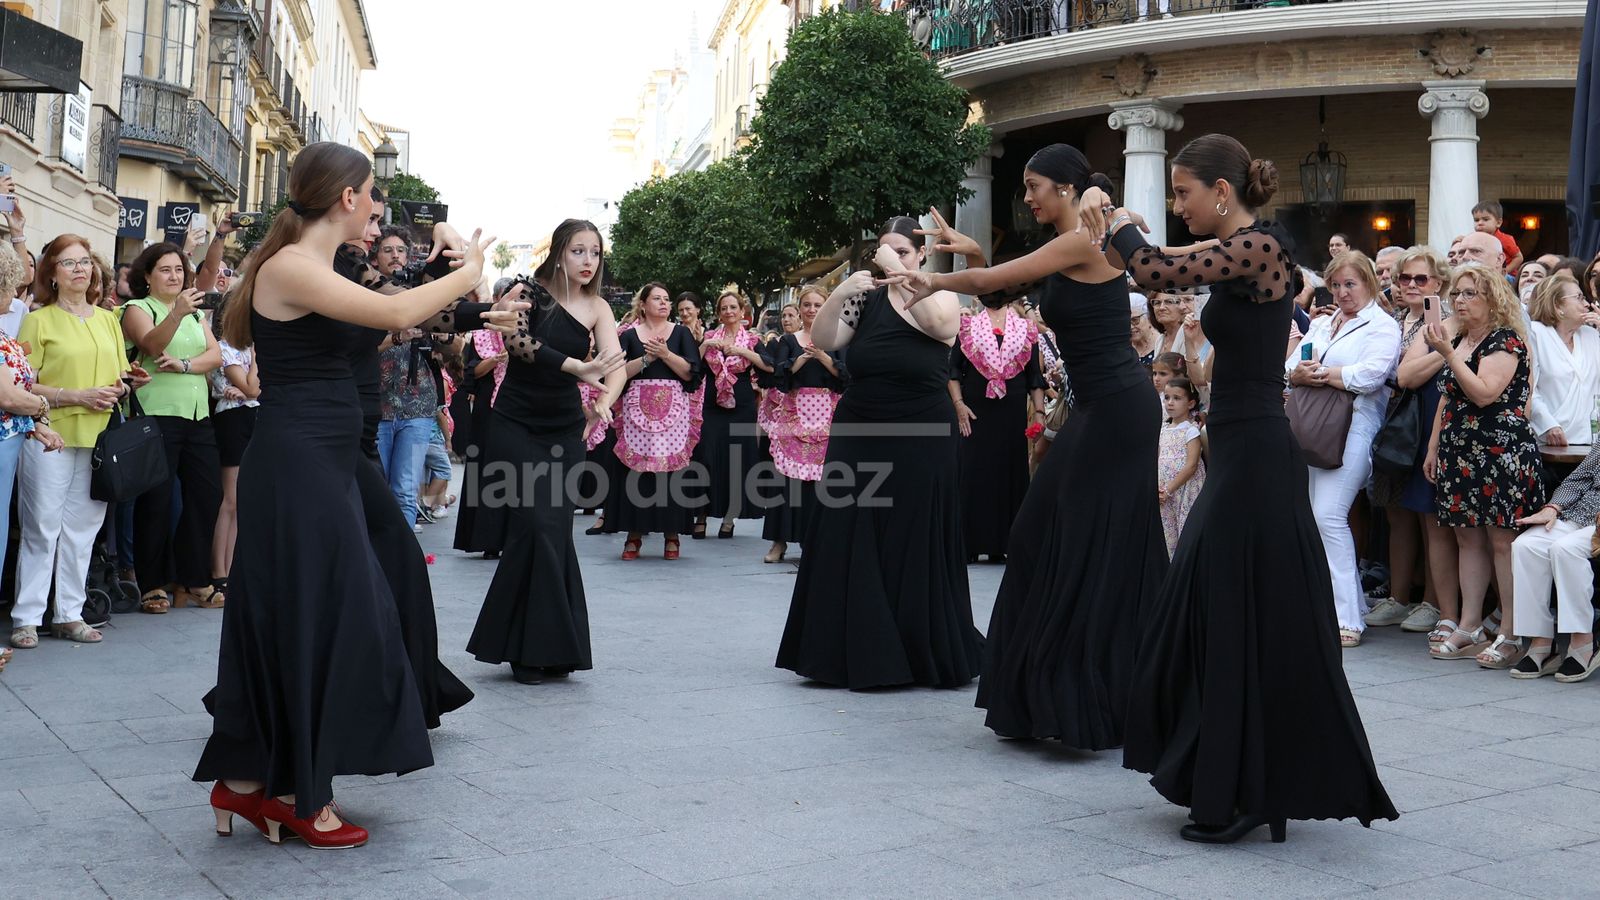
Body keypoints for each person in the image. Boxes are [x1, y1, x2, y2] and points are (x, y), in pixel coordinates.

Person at [1096, 133, 1396, 841]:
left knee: (1225, 612)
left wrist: (1115, 218)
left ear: (1221, 192)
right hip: (1235, 447)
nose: (1179, 205)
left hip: (1259, 451)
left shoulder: (1263, 249)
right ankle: (1238, 779)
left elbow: (1150, 268)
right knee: (1220, 612)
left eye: (1184, 193)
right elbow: (1147, 271)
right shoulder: (1241, 259)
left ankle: (1242, 789)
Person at [195, 141, 491, 848]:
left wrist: (445, 252)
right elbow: (396, 316)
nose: (378, 211)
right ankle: (293, 791)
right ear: (348, 197)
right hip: (299, 462)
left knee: (320, 612)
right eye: (371, 198)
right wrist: (474, 271)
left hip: (326, 459)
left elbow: (397, 304)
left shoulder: (312, 266)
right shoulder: (293, 267)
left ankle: (248, 783)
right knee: (322, 616)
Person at [904, 143, 1167, 738]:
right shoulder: (1077, 237)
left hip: (1119, 408)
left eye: (1033, 186)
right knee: (1056, 537)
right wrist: (969, 256)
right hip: (1102, 407)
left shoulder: (1085, 237)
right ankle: (1080, 690)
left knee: (1075, 539)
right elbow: (1008, 283)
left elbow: (994, 280)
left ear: (1067, 189)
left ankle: (1085, 695)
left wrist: (931, 279)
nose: (1026, 196)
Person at [777, 215, 982, 689]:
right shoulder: (865, 298)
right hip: (860, 426)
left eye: (904, 253)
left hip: (921, 430)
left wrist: (902, 272)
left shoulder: (939, 291)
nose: (891, 261)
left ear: (922, 256)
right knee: (849, 528)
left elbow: (940, 325)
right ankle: (849, 647)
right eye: (885, 253)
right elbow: (828, 340)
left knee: (913, 533)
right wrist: (840, 291)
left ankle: (916, 649)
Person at [468, 218, 627, 685]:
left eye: (595, 253)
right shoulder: (526, 291)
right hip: (515, 423)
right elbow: (518, 344)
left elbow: (615, 366)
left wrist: (603, 402)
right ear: (559, 253)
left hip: (565, 429)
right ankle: (527, 647)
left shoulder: (598, 306)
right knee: (533, 525)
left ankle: (550, 649)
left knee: (553, 531)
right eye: (579, 251)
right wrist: (578, 366)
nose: (588, 261)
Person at [1422, 264, 1545, 668]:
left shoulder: (1505, 341)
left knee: (1501, 541)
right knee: (1465, 537)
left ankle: (1511, 629)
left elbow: (1484, 393)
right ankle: (1471, 623)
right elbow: (1447, 397)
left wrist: (1446, 355)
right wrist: (1433, 447)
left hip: (1500, 453)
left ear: (1493, 298)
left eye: (1470, 293)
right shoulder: (1461, 339)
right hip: (1460, 451)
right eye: (1456, 293)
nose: (1459, 300)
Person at [1285, 251, 1402, 648]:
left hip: (1355, 429)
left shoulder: (1382, 326)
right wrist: (1300, 372)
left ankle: (1347, 616)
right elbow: (1293, 365)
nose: (1342, 292)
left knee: (1329, 516)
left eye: (1350, 284)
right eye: (1335, 285)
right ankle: (1334, 607)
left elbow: (1371, 376)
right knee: (1315, 519)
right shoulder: (1323, 322)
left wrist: (1320, 375)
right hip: (1313, 427)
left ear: (1369, 281)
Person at [122, 242, 226, 611]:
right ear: (147, 276)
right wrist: (176, 315)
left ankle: (193, 579)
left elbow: (215, 356)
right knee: (157, 501)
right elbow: (152, 346)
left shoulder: (194, 314)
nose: (174, 276)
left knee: (206, 497)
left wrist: (183, 365)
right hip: (157, 415)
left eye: (179, 270)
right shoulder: (137, 308)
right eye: (165, 270)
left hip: (198, 415)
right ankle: (153, 583)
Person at [1365, 247, 1457, 639]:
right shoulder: (1395, 319)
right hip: (1395, 422)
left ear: (1439, 283)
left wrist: (1439, 354)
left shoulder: (1449, 321)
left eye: (1422, 279)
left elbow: (1409, 376)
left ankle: (1433, 603)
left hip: (1431, 419)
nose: (1412, 285)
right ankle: (1399, 595)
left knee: (1430, 514)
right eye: (1405, 278)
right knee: (1397, 511)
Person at [3, 238, 72, 650]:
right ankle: (24, 617)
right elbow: (9, 395)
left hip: (10, 444)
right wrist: (48, 403)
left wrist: (35, 423)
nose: (14, 297)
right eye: (9, 287)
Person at [604, 282, 704, 560]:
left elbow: (691, 374)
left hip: (673, 411)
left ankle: (672, 534)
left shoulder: (681, 333)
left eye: (667, 299)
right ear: (643, 304)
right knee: (636, 469)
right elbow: (617, 372)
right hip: (637, 411)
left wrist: (666, 354)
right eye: (657, 299)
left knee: (671, 470)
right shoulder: (629, 335)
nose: (664, 303)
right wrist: (647, 359)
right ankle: (634, 534)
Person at [949, 285, 1045, 563]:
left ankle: (1003, 544)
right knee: (973, 472)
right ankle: (968, 543)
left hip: (1012, 412)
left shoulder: (1027, 330)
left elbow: (1034, 377)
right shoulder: (965, 327)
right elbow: (953, 371)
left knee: (1010, 473)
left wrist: (1039, 412)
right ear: (978, 295)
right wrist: (959, 405)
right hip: (975, 413)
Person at [761, 290, 842, 564]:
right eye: (806, 305)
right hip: (794, 413)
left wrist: (823, 356)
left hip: (827, 413)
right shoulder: (788, 340)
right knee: (787, 479)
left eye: (817, 305)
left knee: (822, 480)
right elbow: (780, 374)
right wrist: (804, 358)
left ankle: (816, 541)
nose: (811, 309)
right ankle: (779, 541)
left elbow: (845, 375)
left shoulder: (837, 338)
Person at [1508, 444, 1600, 683]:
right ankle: (1541, 643)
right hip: (1578, 515)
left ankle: (1584, 642)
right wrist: (1553, 507)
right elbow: (1579, 479)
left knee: (1565, 549)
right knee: (1526, 546)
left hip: (1595, 526)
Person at [693, 290, 772, 539]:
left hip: (742, 405)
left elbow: (769, 366)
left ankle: (729, 518)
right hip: (712, 405)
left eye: (732, 307)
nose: (728, 312)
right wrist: (705, 345)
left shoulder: (751, 339)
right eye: (724, 308)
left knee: (736, 461)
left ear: (741, 311)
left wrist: (743, 352)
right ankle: (701, 515)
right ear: (719, 313)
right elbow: (692, 368)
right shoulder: (709, 337)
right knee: (706, 456)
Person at [207, 326, 259, 593]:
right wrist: (251, 389)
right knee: (230, 499)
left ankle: (232, 567)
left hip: (253, 418)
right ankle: (219, 571)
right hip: (232, 420)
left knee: (243, 500)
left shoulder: (250, 348)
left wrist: (251, 392)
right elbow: (253, 386)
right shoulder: (225, 348)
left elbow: (258, 390)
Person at [1526, 273, 1600, 447]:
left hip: (1592, 444)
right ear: (1557, 305)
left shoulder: (1591, 335)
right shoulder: (1535, 333)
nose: (1586, 303)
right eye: (1579, 297)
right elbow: (1529, 387)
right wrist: (1548, 424)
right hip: (1551, 442)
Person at [1157, 375, 1205, 557]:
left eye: (1177, 398)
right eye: (1167, 397)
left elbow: (1191, 465)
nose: (1170, 403)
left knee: (1185, 530)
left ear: (1191, 403)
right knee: (1168, 534)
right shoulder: (1163, 429)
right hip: (1165, 493)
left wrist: (1170, 489)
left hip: (1183, 490)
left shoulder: (1190, 430)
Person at [1472, 200, 1524, 275]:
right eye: (1476, 220)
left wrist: (1504, 271)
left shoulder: (1504, 239)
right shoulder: (1475, 239)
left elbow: (1519, 258)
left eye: (1485, 219)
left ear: (1498, 223)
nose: (1480, 223)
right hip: (1487, 274)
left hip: (1507, 277)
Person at [1129, 293, 1159, 367]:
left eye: (1135, 320)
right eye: (1125, 322)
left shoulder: (1161, 343)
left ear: (1148, 317)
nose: (1130, 326)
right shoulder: (1123, 346)